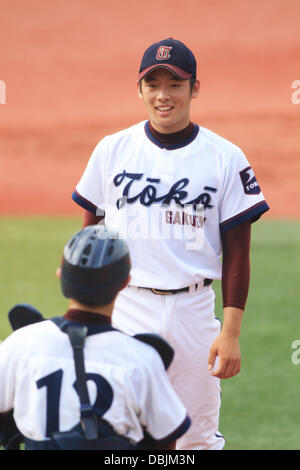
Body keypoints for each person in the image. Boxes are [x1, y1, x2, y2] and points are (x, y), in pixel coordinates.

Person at [71, 38, 270, 450]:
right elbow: (89, 238)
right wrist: (83, 311)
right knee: (114, 435)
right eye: (153, 85)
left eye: (175, 85)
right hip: (124, 307)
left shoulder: (225, 157)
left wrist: (230, 331)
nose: (164, 96)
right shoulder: (113, 150)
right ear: (140, 90)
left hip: (193, 312)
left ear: (195, 88)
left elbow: (237, 250)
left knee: (195, 438)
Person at [0, 225, 191, 450]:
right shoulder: (142, 359)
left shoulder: (21, 344)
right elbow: (166, 442)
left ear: (61, 276)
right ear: (125, 282)